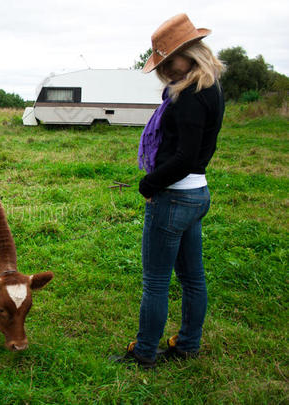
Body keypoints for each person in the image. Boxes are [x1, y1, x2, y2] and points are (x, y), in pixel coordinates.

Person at [113, 13, 225, 368]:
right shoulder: (211, 88)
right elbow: (200, 153)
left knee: (156, 282)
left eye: (169, 62)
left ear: (191, 52)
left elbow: (185, 156)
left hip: (174, 196)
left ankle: (144, 351)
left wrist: (150, 182)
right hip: (197, 194)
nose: (166, 71)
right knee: (193, 278)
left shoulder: (190, 96)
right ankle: (189, 344)